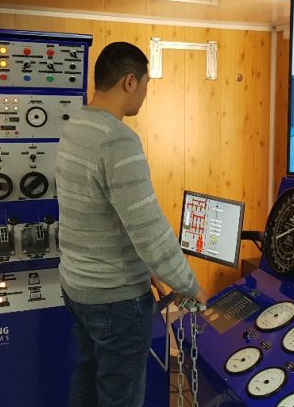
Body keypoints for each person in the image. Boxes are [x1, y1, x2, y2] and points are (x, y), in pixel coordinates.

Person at [56, 41, 208, 407]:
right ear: (129, 82)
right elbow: (150, 230)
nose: (144, 94)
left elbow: (105, 213)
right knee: (119, 398)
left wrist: (145, 269)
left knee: (88, 381)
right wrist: (189, 284)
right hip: (115, 302)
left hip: (77, 288)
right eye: (145, 85)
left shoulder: (75, 125)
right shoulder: (118, 141)